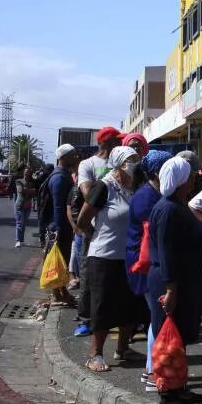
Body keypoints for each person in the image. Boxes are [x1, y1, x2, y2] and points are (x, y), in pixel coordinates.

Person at [148, 155, 202, 404]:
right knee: (169, 341)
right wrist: (171, 289)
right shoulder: (169, 209)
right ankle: (168, 395)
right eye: (191, 175)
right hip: (169, 282)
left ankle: (178, 388)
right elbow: (167, 251)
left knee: (178, 339)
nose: (195, 177)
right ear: (183, 180)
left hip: (181, 281)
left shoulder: (176, 205)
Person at [76, 146, 143, 373]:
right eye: (130, 160)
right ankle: (94, 354)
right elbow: (83, 221)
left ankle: (123, 349)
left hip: (129, 257)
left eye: (136, 159)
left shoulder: (134, 187)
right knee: (103, 307)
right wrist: (95, 237)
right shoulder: (104, 187)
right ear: (118, 163)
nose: (135, 163)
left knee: (129, 306)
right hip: (103, 256)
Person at [129, 149, 172, 393]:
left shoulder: (152, 193)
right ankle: (152, 371)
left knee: (157, 318)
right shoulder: (148, 197)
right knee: (158, 318)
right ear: (157, 172)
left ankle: (150, 369)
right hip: (145, 265)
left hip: (146, 264)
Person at [48, 144, 81, 306]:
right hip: (60, 228)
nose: (76, 158)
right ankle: (56, 295)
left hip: (63, 227)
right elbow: (59, 207)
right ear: (65, 157)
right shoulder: (59, 178)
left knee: (64, 261)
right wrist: (60, 230)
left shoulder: (64, 174)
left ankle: (62, 291)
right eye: (73, 155)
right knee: (59, 261)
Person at [13, 167, 36, 248]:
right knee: (19, 223)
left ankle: (22, 241)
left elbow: (35, 192)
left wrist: (29, 190)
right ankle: (18, 241)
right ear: (23, 173)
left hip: (28, 206)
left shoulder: (32, 182)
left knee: (24, 224)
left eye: (28, 172)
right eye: (26, 172)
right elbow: (20, 190)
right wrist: (31, 190)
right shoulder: (19, 181)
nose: (27, 173)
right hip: (20, 205)